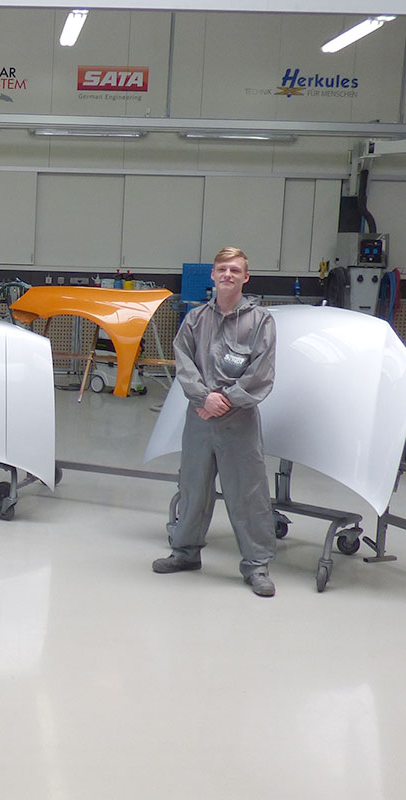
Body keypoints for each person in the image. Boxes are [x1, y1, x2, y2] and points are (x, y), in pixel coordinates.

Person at [152, 247, 278, 596]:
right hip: (200, 418)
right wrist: (203, 397)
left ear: (246, 277)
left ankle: (257, 566)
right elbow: (184, 362)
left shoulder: (261, 321)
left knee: (247, 494)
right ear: (212, 274)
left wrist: (225, 401)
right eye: (222, 269)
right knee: (193, 487)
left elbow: (262, 372)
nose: (228, 275)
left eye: (235, 270)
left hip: (240, 421)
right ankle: (185, 552)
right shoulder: (195, 320)